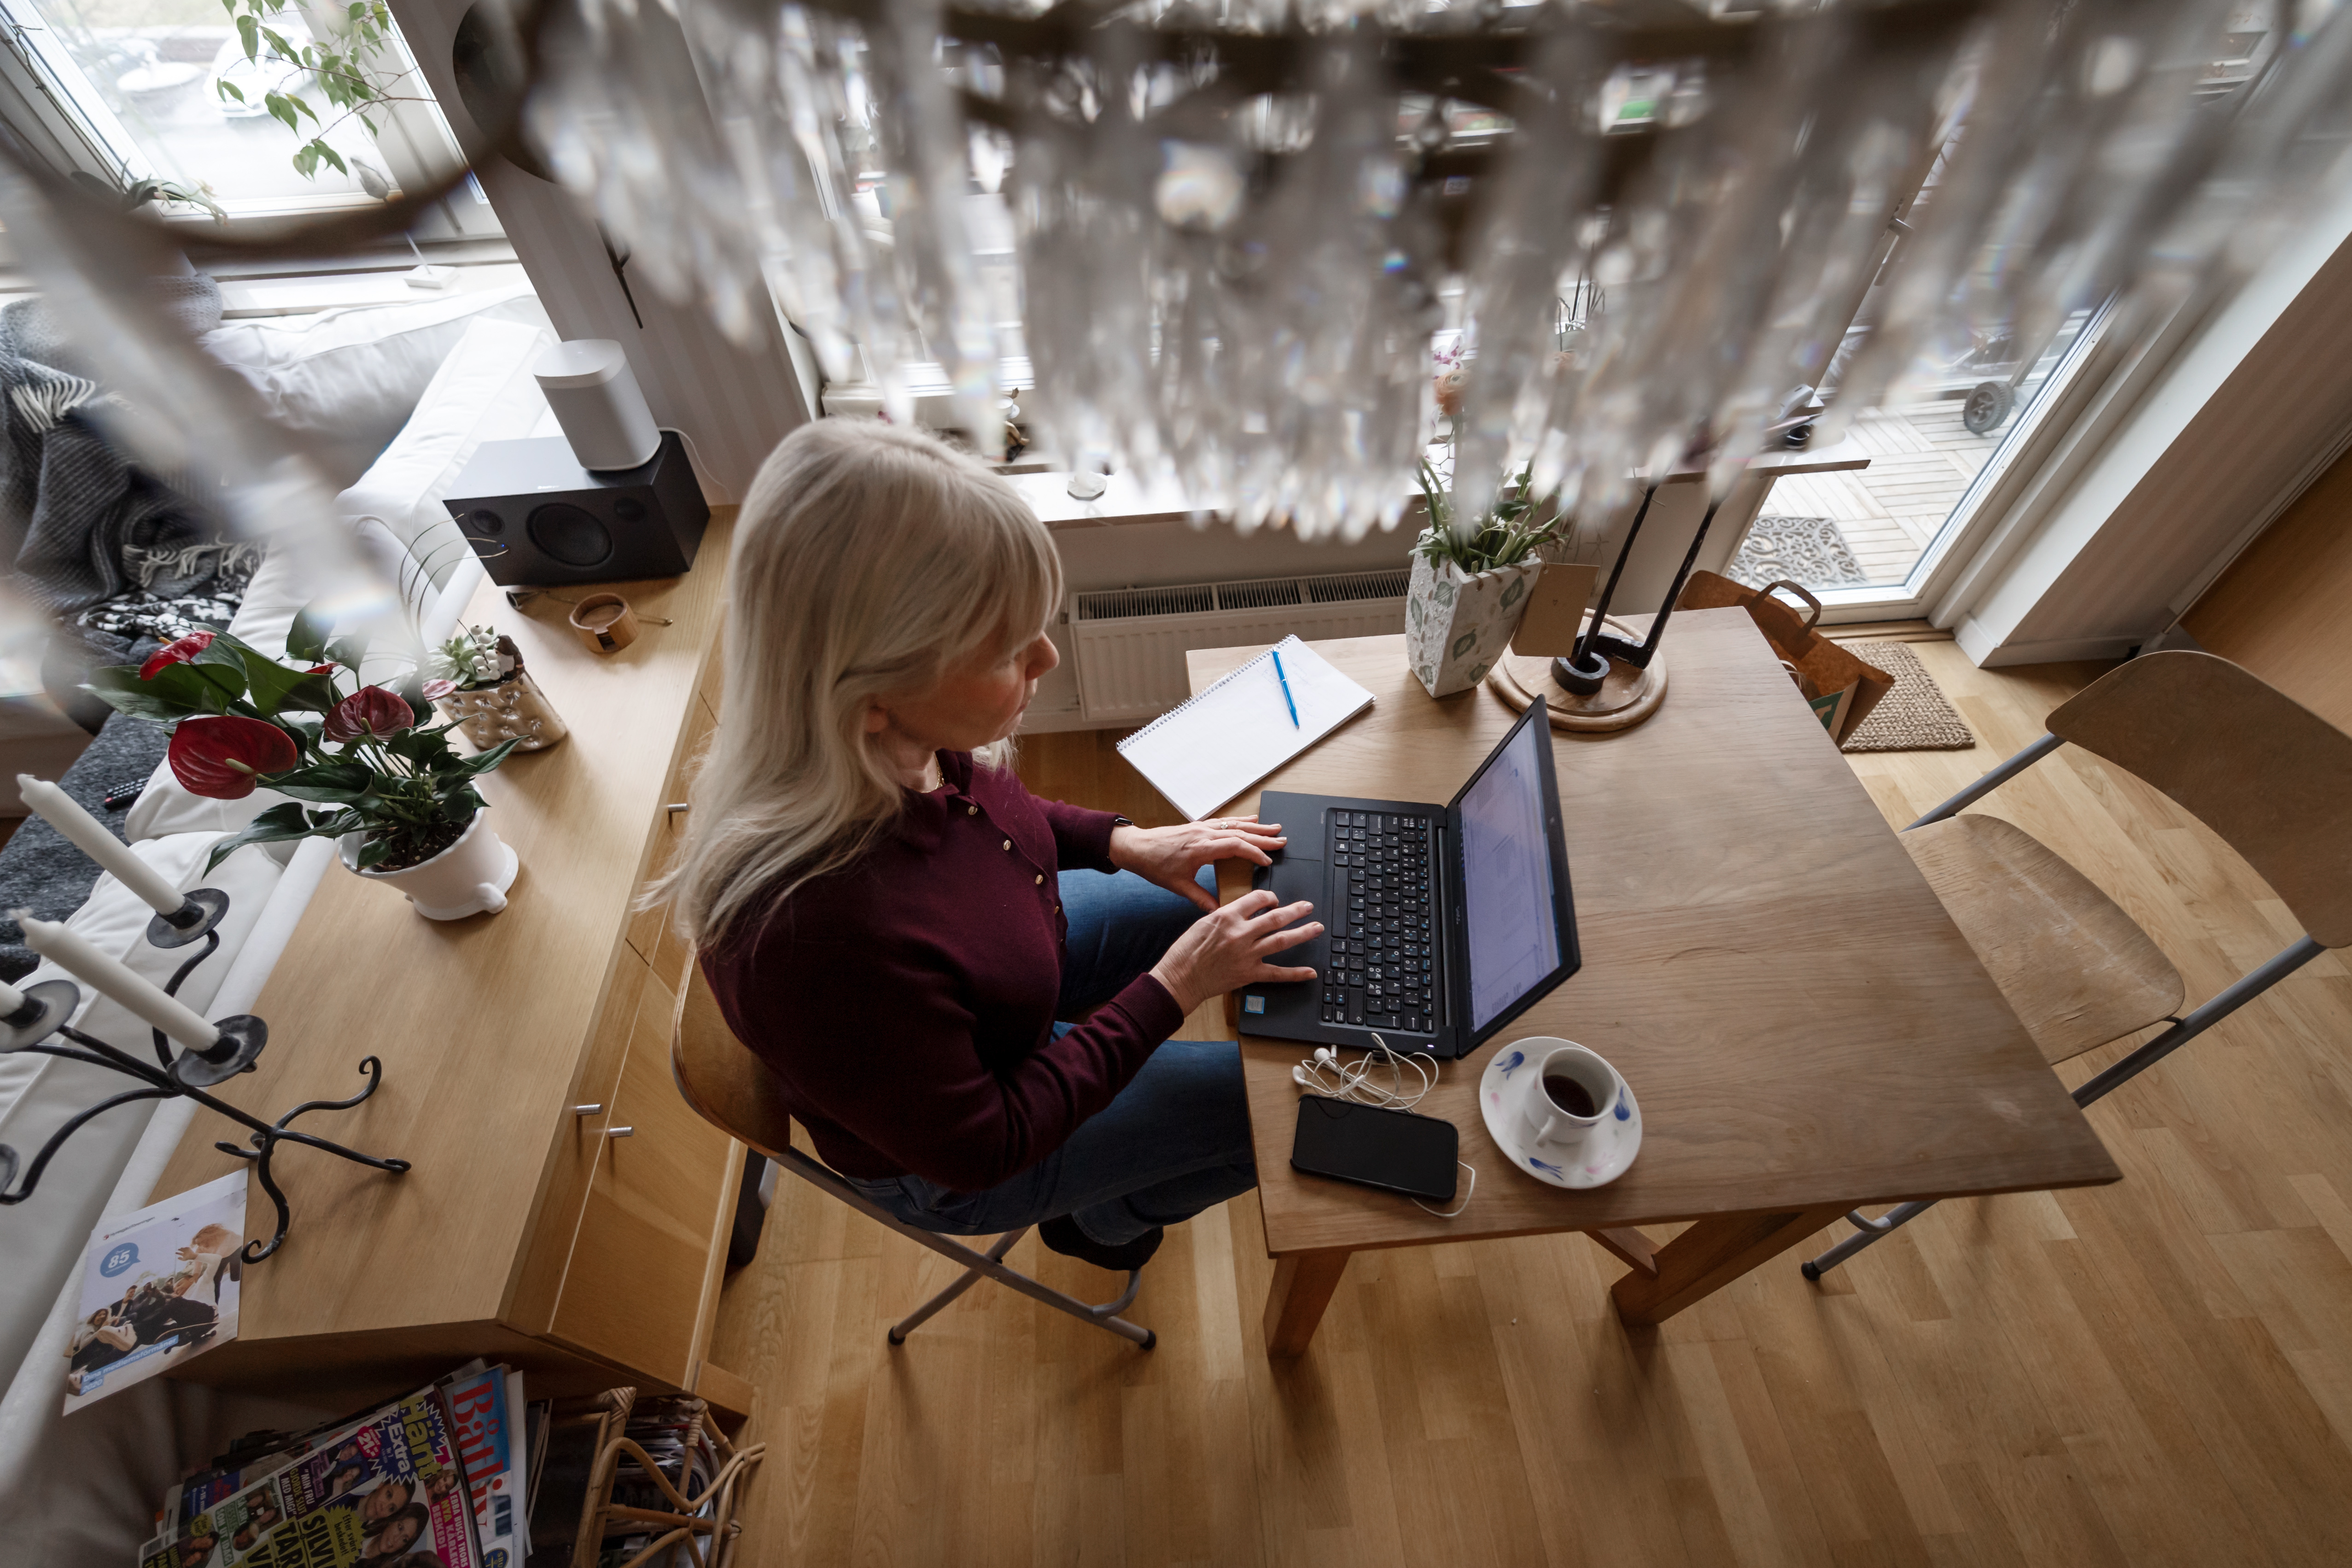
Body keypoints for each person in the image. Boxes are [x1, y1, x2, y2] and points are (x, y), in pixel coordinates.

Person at [671, 420, 1321, 1272]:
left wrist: (1128, 843)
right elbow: (983, 1143)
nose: (1048, 656)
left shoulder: (878, 745)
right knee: (1276, 1110)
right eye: (1008, 648)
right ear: (869, 689)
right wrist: (1176, 988)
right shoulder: (813, 939)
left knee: (1246, 884)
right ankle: (1105, 1224)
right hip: (970, 1152)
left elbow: (994, 816)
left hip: (1008, 975)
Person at [359, 1500, 429, 1558]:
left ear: (404, 1547)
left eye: (405, 1540)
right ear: (392, 1521)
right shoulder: (361, 1527)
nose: (396, 1539)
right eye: (400, 1528)